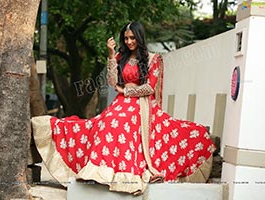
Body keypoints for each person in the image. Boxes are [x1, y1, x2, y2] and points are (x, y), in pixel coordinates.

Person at [31, 21, 215, 195]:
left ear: (140, 38)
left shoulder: (153, 59)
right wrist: (111, 55)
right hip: (121, 103)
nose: (129, 42)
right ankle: (99, 172)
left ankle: (124, 174)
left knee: (123, 124)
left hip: (143, 105)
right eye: (126, 38)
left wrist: (127, 91)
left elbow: (150, 87)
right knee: (104, 124)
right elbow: (112, 81)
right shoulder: (120, 56)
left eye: (133, 38)